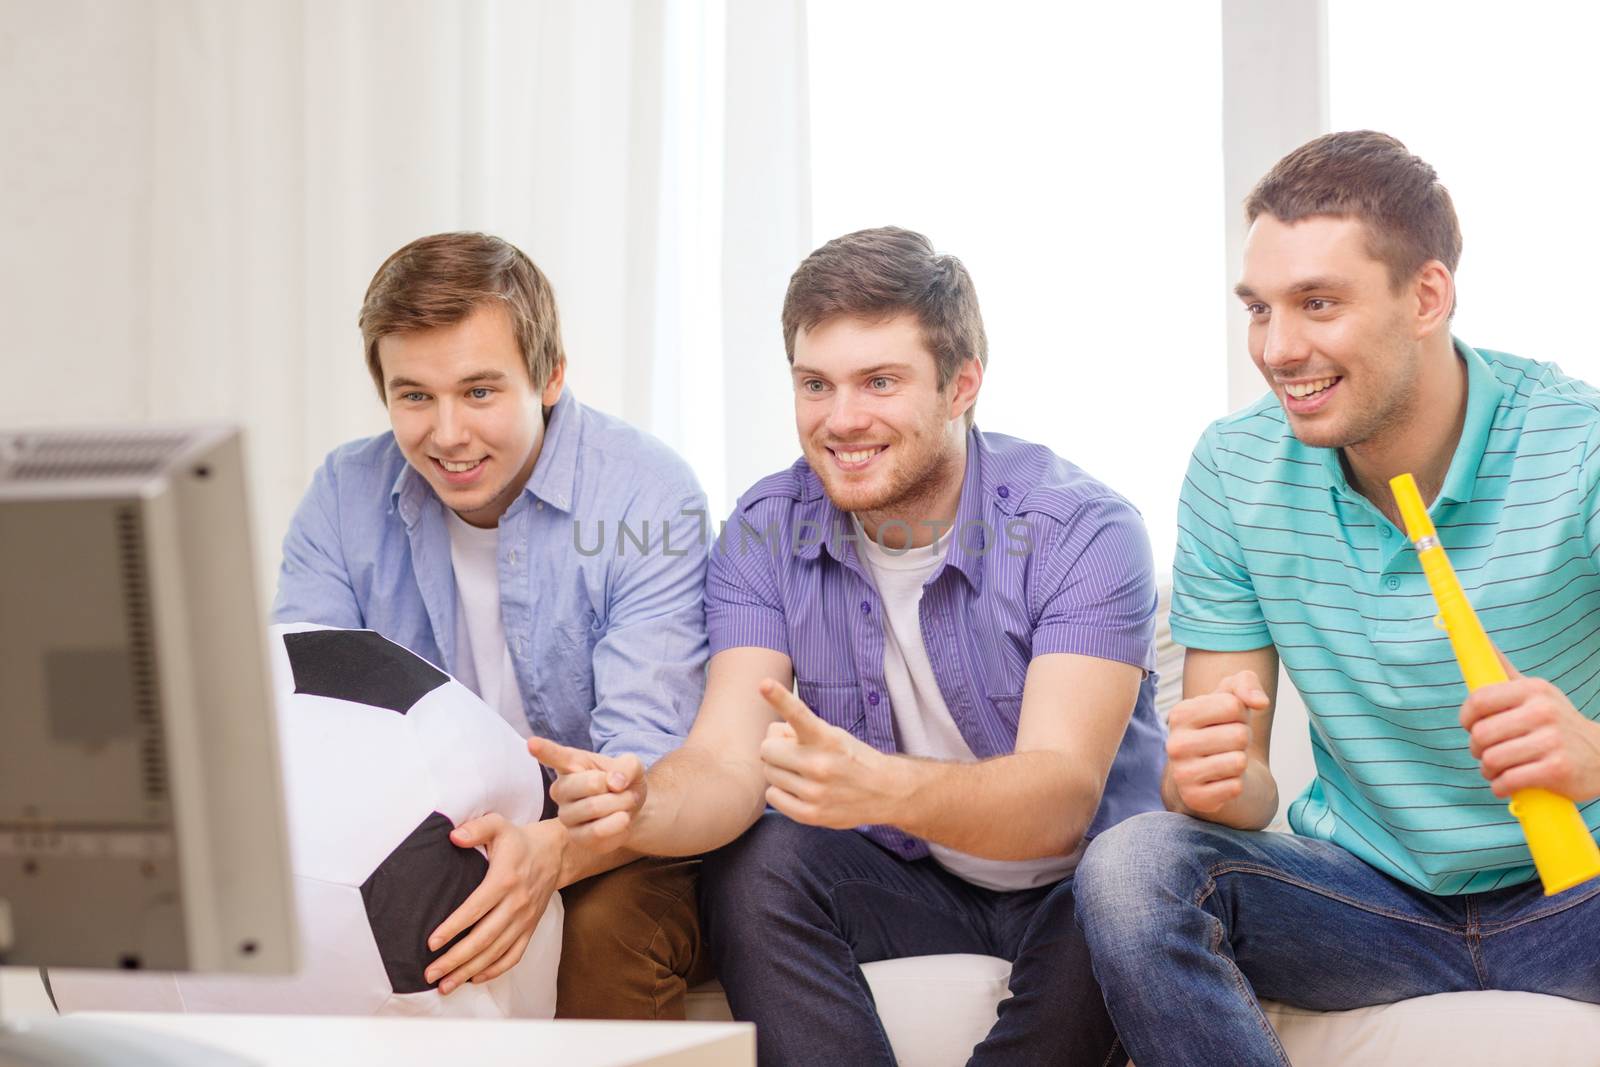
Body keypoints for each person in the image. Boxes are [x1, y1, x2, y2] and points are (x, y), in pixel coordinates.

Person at [534, 226, 1166, 1065]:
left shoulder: (1081, 530)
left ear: (962, 384)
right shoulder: (766, 531)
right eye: (814, 384)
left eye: (879, 382)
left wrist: (883, 788)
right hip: (907, 880)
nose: (841, 419)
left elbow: (1061, 802)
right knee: (759, 859)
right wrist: (645, 804)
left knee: (1129, 892)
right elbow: (727, 761)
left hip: (1076, 885)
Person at [1074, 131, 1600, 1067]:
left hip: (1579, 895)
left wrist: (1596, 754)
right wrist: (1221, 782)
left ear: (1427, 296)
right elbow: (1244, 787)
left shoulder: (1579, 446)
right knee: (1133, 866)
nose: (1278, 349)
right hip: (1368, 901)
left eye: (1317, 303)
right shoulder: (1236, 467)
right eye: (1259, 309)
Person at [274, 231, 712, 1018]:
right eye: (415, 396)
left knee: (606, 931)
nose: (446, 434)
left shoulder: (647, 492)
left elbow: (638, 764)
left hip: (611, 831)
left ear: (549, 377)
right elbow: (303, 726)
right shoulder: (345, 492)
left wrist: (554, 852)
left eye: (480, 392)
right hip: (414, 828)